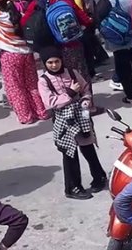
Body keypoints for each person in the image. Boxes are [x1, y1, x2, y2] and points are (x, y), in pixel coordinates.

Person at [35, 50, 106, 199]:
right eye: (50, 63)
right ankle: (73, 187)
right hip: (63, 120)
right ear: (45, 64)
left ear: (61, 61)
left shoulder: (72, 73)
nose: (54, 65)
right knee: (69, 153)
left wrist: (86, 99)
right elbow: (50, 103)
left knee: (88, 148)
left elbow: (85, 88)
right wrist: (70, 93)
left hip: (81, 116)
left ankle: (99, 177)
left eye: (56, 61)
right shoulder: (43, 81)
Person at [0, 0, 47, 125]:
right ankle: (41, 112)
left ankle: (26, 116)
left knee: (16, 87)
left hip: (10, 55)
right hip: (26, 53)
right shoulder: (22, 17)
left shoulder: (1, 17)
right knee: (32, 84)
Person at [96, 0, 132, 103]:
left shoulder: (110, 0)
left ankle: (131, 97)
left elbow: (98, 15)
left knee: (124, 69)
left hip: (118, 40)